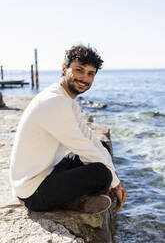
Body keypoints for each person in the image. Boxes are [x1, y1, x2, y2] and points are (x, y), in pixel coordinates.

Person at [9, 44, 127, 213]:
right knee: (102, 175)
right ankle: (72, 202)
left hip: (45, 174)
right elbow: (83, 147)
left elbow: (89, 138)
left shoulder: (66, 99)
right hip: (33, 192)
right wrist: (115, 182)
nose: (84, 78)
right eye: (79, 70)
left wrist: (115, 179)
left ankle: (75, 200)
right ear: (64, 68)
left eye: (90, 73)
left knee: (102, 146)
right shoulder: (54, 101)